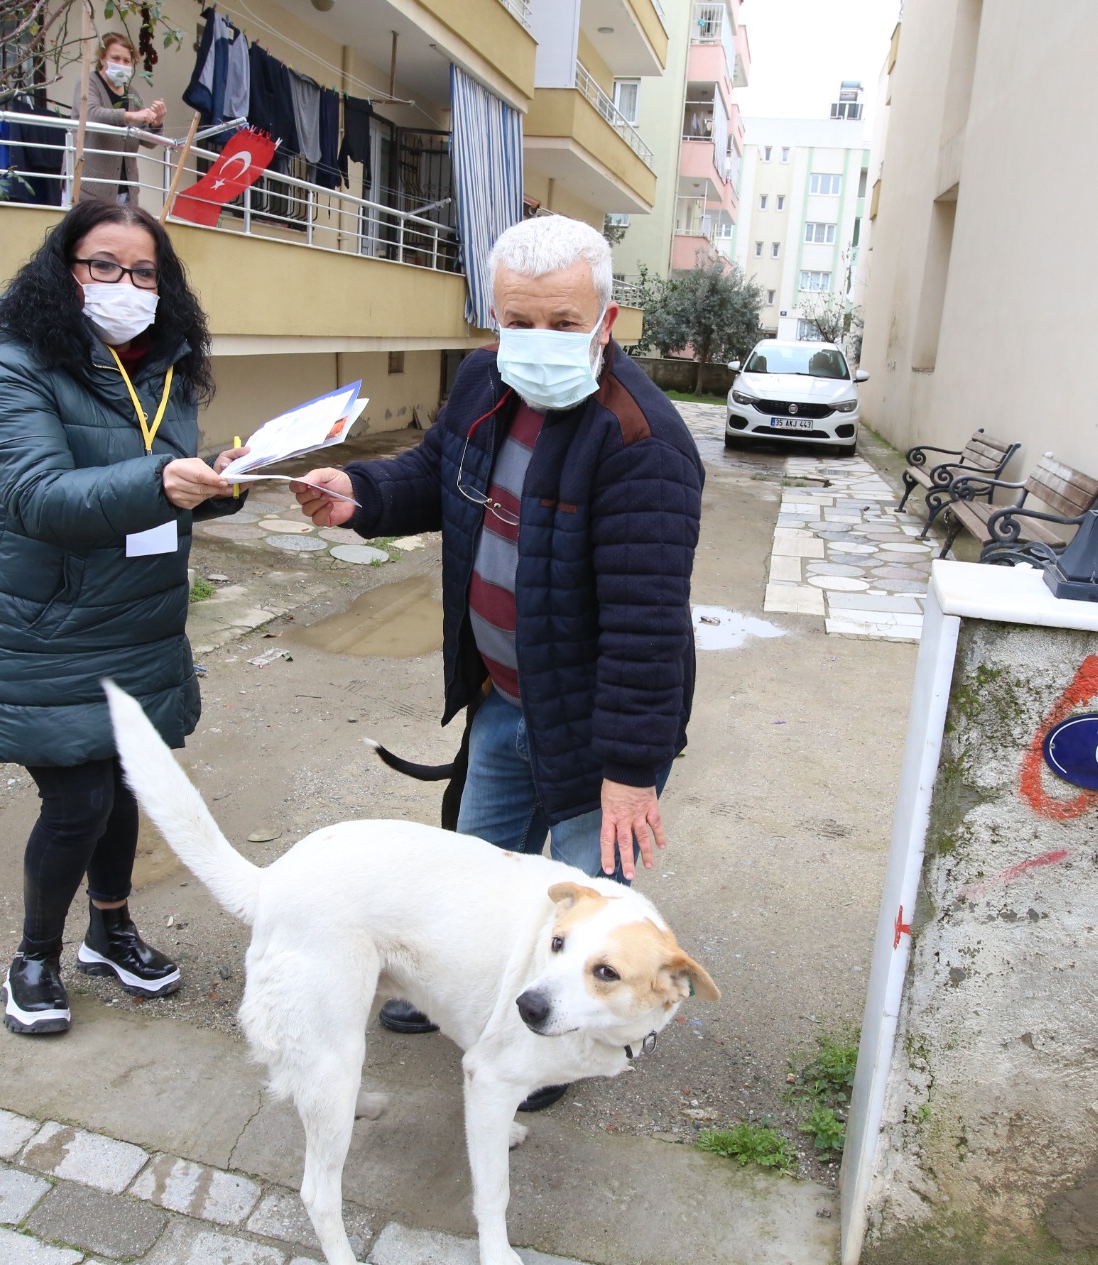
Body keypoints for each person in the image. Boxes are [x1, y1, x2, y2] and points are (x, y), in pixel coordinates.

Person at [292, 215, 703, 1108]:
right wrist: (358, 495)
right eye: (521, 319)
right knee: (477, 879)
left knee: (590, 911)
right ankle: (466, 996)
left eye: (564, 322)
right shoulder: (486, 381)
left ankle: (554, 1046)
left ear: (608, 320)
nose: (539, 340)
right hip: (506, 695)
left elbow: (645, 624)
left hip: (600, 726)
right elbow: (438, 473)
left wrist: (631, 772)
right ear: (493, 318)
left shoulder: (644, 443)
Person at [0, 200, 248, 1035]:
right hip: (44, 622)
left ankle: (111, 930)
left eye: (146, 270)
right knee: (79, 796)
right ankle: (34, 957)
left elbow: (164, 490)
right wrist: (164, 481)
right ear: (64, 269)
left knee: (127, 781)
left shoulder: (165, 366)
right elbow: (40, 498)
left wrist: (218, 479)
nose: (127, 284)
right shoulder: (12, 367)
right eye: (103, 265)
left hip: (136, 621)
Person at [75, 32, 166, 204]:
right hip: (92, 189)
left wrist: (156, 122)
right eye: (115, 58)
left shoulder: (132, 94)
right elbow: (91, 114)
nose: (121, 64)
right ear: (102, 59)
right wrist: (131, 116)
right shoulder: (88, 83)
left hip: (126, 191)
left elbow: (148, 141)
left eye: (126, 60)